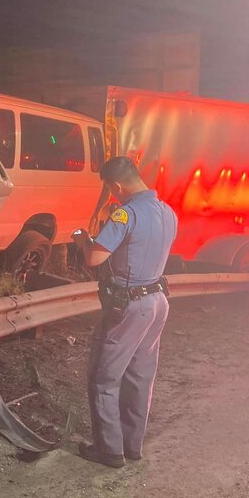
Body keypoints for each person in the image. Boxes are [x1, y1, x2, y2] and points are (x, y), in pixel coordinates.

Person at [71, 156, 178, 468]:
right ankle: (132, 446)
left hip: (130, 306)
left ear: (116, 185)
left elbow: (94, 258)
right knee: (140, 376)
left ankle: (109, 451)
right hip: (158, 300)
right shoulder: (167, 211)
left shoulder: (126, 213)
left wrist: (83, 241)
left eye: (110, 189)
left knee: (104, 378)